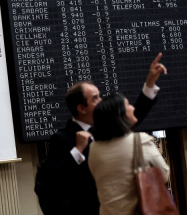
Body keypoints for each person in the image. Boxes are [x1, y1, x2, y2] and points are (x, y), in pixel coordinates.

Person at [34, 53, 167, 215]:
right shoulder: (62, 138)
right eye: (95, 98)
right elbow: (49, 179)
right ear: (81, 108)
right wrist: (77, 150)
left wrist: (150, 82)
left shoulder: (105, 129)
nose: (101, 101)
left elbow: (131, 116)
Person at [88, 93, 170, 215]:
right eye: (127, 105)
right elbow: (164, 174)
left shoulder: (94, 147)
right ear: (119, 115)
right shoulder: (140, 140)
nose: (132, 108)